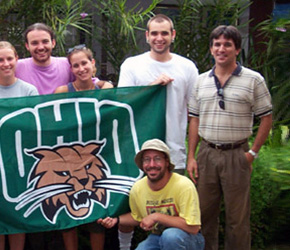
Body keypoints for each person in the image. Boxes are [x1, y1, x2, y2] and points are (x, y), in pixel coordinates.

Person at [186, 25, 273, 250]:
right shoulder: (200, 81)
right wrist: (191, 156)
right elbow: (193, 118)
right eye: (217, 44)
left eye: (227, 44)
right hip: (206, 154)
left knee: (237, 219)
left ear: (237, 49)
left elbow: (266, 117)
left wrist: (252, 153)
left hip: (237, 154)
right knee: (204, 215)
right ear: (211, 49)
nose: (221, 49)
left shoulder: (253, 80)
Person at [116, 14, 199, 250]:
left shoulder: (187, 67)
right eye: (154, 33)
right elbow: (123, 103)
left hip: (175, 152)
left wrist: (191, 155)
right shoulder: (132, 65)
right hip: (137, 152)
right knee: (130, 208)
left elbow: (194, 114)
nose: (159, 38)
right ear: (147, 36)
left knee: (173, 218)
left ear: (173, 35)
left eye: (164, 33)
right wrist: (151, 88)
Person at [52, 45, 112, 250]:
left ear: (93, 64)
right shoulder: (62, 91)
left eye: (84, 63)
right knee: (68, 213)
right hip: (68, 158)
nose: (81, 68)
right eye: (75, 65)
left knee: (97, 212)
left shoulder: (105, 89)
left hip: (96, 158)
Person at [97, 139, 204, 250]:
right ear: (142, 164)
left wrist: (157, 216)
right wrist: (116, 220)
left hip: (189, 239)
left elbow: (193, 228)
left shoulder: (183, 185)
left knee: (171, 237)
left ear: (167, 162)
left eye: (157, 159)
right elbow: (138, 217)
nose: (152, 164)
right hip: (157, 238)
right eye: (147, 160)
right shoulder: (138, 188)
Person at [0, 41, 37, 250]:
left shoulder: (29, 90)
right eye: (0, 60)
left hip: (20, 163)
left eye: (9, 59)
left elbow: (34, 129)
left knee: (17, 213)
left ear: (17, 59)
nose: (6, 64)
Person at [0, 23, 101, 96]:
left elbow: (91, 82)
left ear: (53, 43)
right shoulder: (16, 65)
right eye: (35, 43)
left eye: (45, 42)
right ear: (27, 46)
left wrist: (106, 86)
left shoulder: (66, 64)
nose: (40, 47)